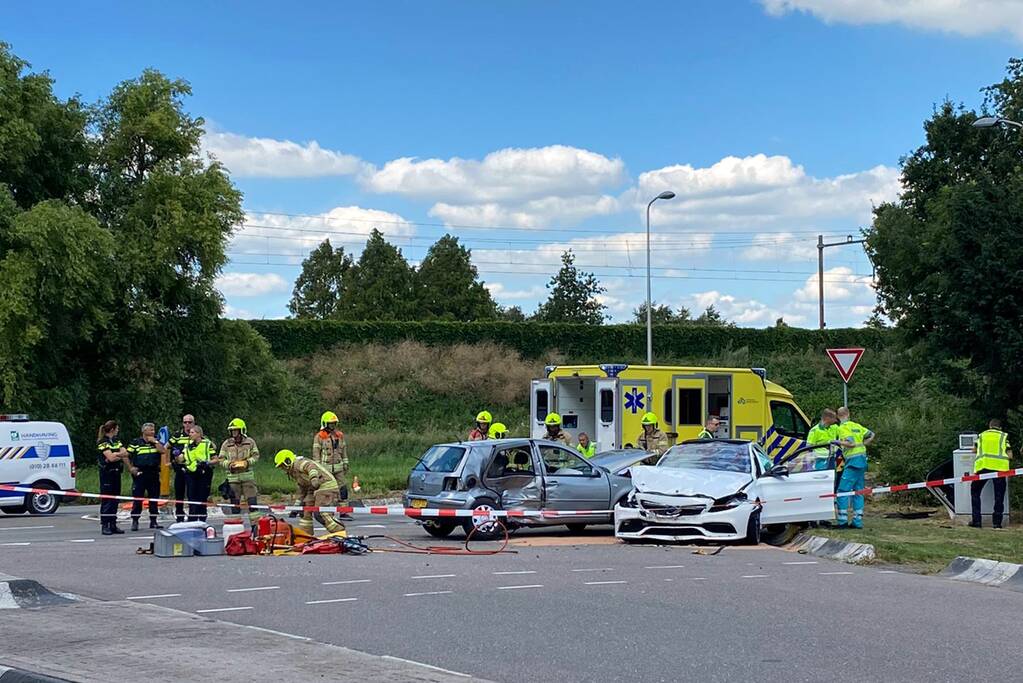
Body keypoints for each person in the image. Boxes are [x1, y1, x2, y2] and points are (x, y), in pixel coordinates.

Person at [274, 449, 345, 535]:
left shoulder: (298, 463)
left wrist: (314, 478)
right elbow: (302, 490)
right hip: (313, 488)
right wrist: (296, 507)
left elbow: (311, 466)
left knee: (320, 513)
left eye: (282, 466)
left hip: (326, 486)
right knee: (304, 511)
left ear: (287, 461)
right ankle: (306, 536)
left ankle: (340, 533)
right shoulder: (294, 472)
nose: (283, 469)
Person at [834, 406, 875, 529]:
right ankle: (857, 521)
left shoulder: (843, 428)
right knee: (859, 491)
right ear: (848, 414)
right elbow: (872, 434)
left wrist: (837, 442)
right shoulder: (857, 426)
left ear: (838, 416)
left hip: (852, 462)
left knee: (842, 491)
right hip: (862, 460)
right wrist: (866, 443)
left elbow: (850, 443)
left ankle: (842, 522)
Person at [969, 419, 1013, 529]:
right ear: (1000, 427)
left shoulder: (982, 435)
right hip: (1000, 469)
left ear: (990, 426)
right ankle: (997, 523)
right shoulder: (1003, 436)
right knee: (999, 496)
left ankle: (977, 521)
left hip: (983, 467)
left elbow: (973, 450)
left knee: (975, 491)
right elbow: (1010, 455)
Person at [218, 418, 261, 527]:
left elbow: (256, 456)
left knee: (252, 505)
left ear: (242, 431)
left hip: (248, 479)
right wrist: (228, 464)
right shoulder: (226, 444)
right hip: (233, 480)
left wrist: (247, 462)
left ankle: (256, 529)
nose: (234, 433)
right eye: (232, 431)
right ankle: (236, 529)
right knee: (235, 507)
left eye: (236, 430)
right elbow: (221, 459)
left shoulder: (250, 442)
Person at [127, 422, 168, 531]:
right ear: (144, 431)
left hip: (153, 473)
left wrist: (154, 441)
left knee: (154, 497)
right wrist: (131, 468)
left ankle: (153, 521)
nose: (153, 432)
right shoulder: (136, 442)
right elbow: (127, 456)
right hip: (140, 473)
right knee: (138, 498)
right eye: (151, 430)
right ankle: (135, 520)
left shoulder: (156, 442)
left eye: (154, 430)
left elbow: (163, 451)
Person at [97, 421, 135, 535]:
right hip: (106, 474)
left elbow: (125, 453)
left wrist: (116, 454)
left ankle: (113, 524)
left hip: (117, 473)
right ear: (112, 429)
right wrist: (118, 455)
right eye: (117, 428)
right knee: (107, 500)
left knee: (115, 500)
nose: (118, 430)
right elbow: (110, 458)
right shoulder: (102, 442)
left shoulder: (116, 441)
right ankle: (105, 525)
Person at [179, 425, 217, 522]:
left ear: (199, 434)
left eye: (192, 432)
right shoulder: (188, 445)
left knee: (202, 497)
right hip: (191, 473)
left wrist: (207, 463)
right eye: (190, 432)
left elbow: (216, 459)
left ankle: (202, 519)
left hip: (204, 473)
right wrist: (177, 456)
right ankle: (192, 519)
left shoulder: (207, 444)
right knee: (191, 496)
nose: (190, 434)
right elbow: (182, 458)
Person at [312, 411, 349, 499]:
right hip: (325, 469)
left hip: (339, 468)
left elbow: (343, 450)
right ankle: (326, 510)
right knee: (326, 489)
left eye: (334, 424)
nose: (332, 426)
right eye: (330, 424)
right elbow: (316, 453)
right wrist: (317, 468)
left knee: (343, 488)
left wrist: (346, 463)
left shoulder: (339, 435)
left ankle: (343, 511)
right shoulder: (319, 437)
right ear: (325, 424)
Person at [167, 415, 195, 523]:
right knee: (179, 493)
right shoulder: (177, 435)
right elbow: (166, 447)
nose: (187, 424)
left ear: (194, 423)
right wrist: (167, 462)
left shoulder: (196, 434)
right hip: (179, 468)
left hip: (192, 470)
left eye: (190, 422)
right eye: (185, 422)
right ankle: (179, 516)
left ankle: (192, 516)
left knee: (192, 493)